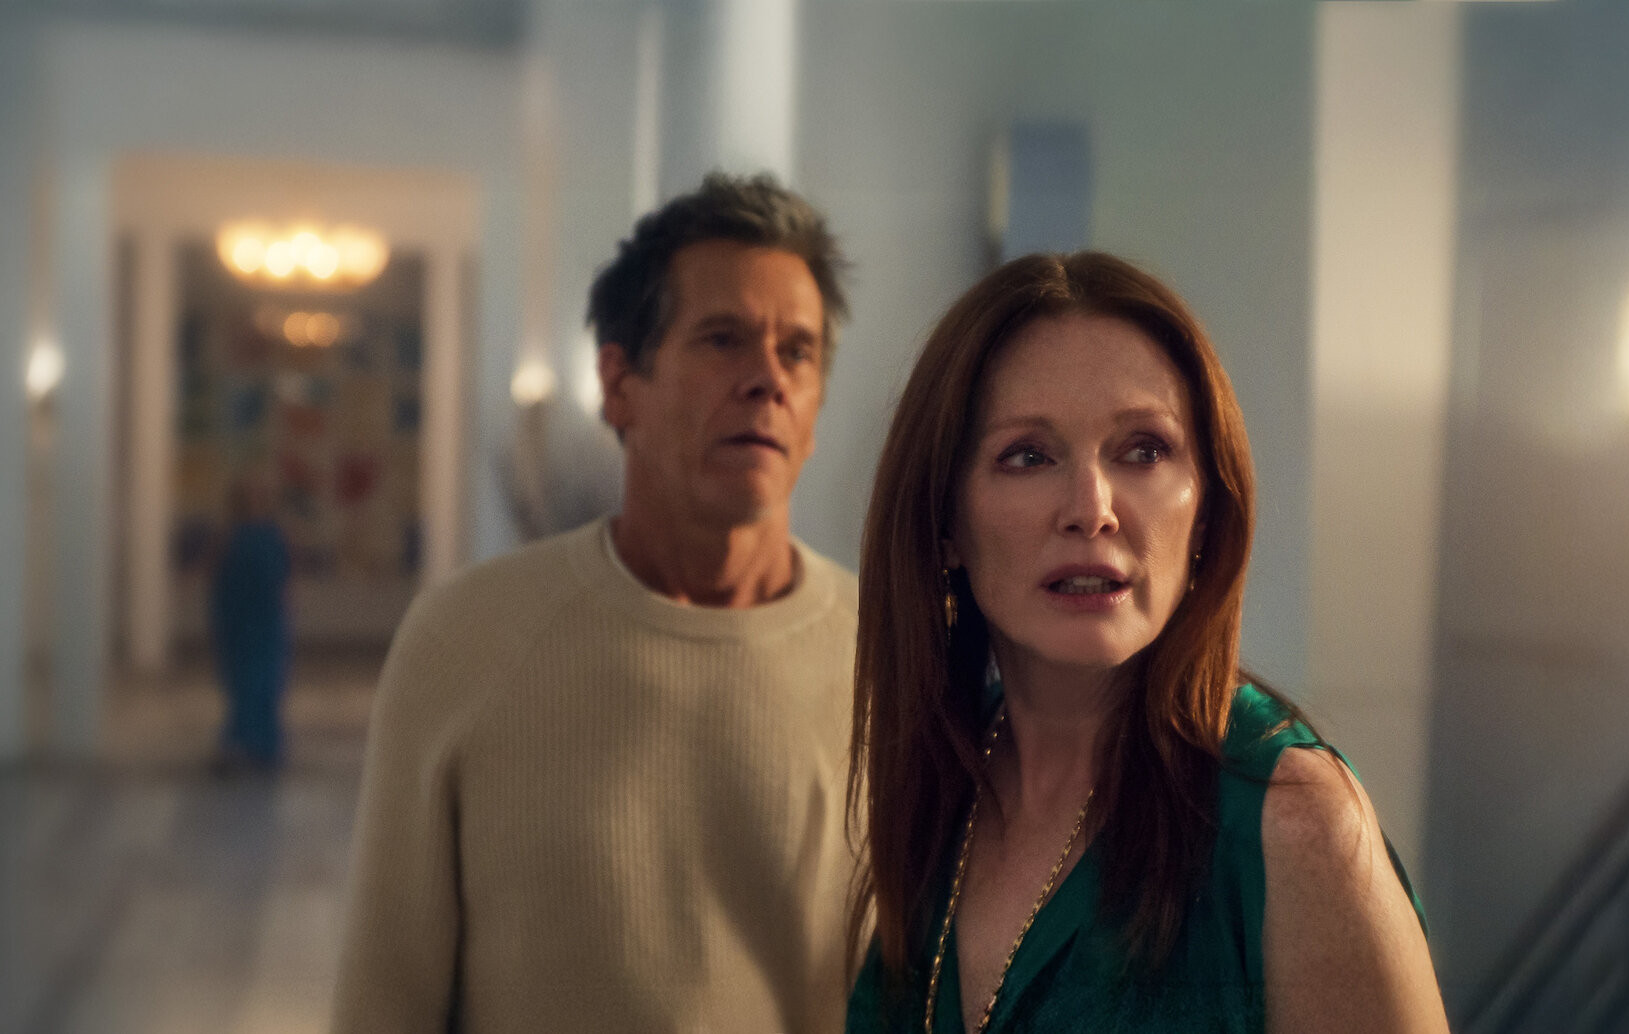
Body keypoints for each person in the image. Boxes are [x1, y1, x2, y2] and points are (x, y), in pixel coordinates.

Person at [846, 252, 1448, 1033]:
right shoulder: (946, 777)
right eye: (1027, 455)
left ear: (1206, 512)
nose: (1091, 508)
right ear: (944, 520)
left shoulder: (1293, 827)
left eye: (1143, 450)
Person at [331, 172, 859, 1033]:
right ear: (618, 384)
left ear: (816, 402)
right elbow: (383, 1000)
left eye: (796, 351)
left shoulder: (887, 659)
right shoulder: (466, 639)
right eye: (722, 339)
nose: (767, 378)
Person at [209, 472, 292, 774]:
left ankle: (263, 746)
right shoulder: (231, 535)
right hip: (238, 620)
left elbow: (283, 578)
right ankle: (240, 744)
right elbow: (218, 578)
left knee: (266, 683)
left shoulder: (273, 535)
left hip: (267, 620)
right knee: (242, 683)